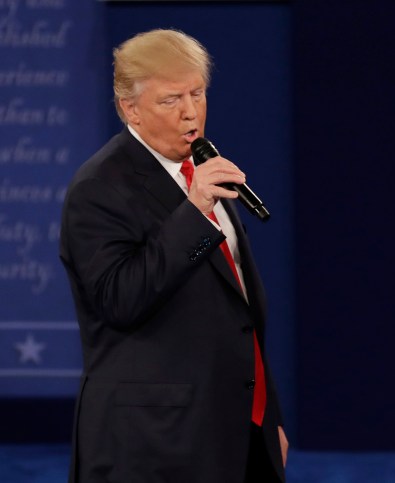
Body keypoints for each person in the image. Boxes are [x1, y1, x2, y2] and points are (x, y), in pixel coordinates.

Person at [59, 29, 288, 482]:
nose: (191, 113)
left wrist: (266, 416)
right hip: (152, 446)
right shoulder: (99, 188)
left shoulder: (198, 170)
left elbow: (238, 314)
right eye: (170, 100)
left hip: (236, 431)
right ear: (131, 109)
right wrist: (195, 212)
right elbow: (120, 300)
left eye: (197, 94)